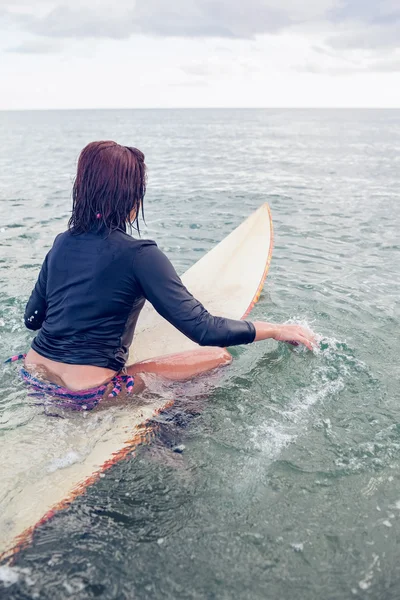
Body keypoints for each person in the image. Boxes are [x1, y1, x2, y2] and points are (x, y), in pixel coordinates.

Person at [13, 141, 315, 410]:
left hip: (32, 375)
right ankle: (169, 442)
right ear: (131, 199)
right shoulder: (141, 256)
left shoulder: (61, 243)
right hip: (87, 393)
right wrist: (275, 329)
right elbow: (204, 330)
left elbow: (33, 319)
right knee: (216, 359)